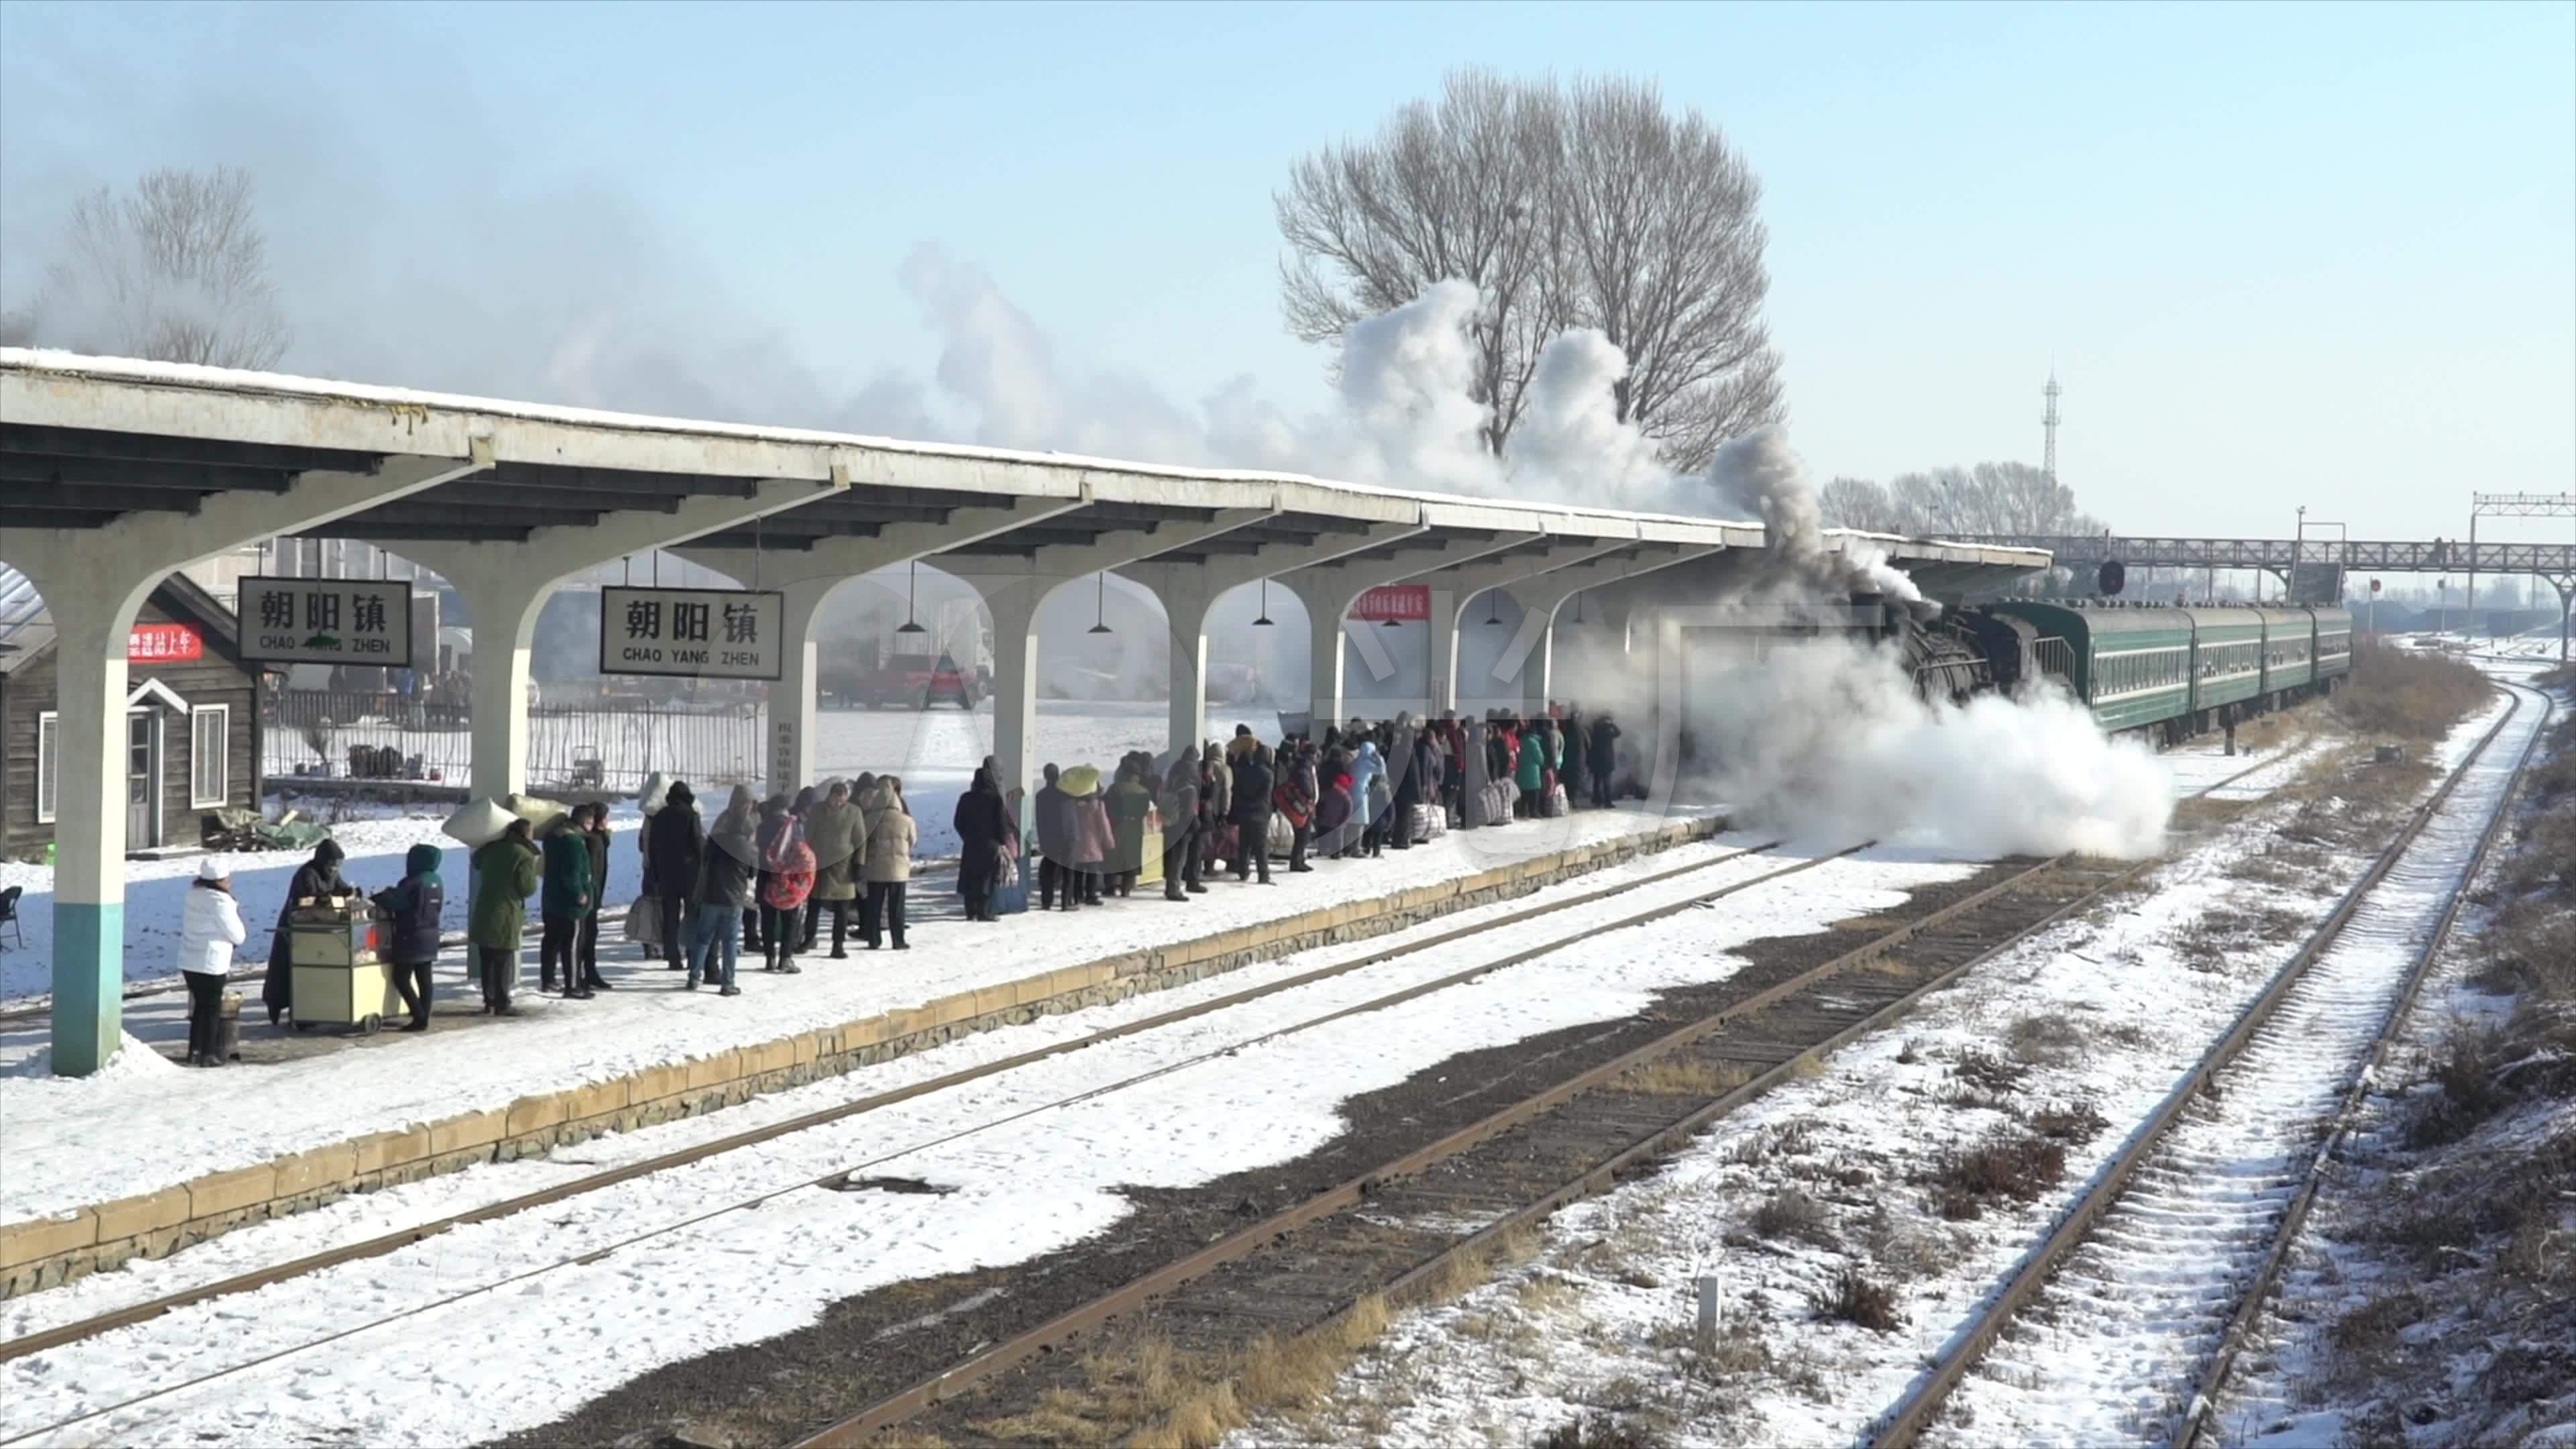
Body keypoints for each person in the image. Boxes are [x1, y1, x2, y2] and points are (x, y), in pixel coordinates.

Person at [262, 840, 350, 1026]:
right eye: (333, 863)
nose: (335, 868)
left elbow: (339, 887)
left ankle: (314, 1008)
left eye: (338, 864)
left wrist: (349, 892)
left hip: (320, 926)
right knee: (291, 969)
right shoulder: (307, 873)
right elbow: (309, 897)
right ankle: (292, 1009)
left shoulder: (332, 874)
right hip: (298, 924)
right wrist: (327, 898)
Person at [688, 786, 758, 994]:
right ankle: (728, 983)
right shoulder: (746, 847)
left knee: (703, 938)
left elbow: (706, 860)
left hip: (711, 895)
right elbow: (753, 873)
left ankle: (694, 977)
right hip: (734, 899)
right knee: (729, 942)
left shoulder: (716, 840)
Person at [469, 818, 541, 1016]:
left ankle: (489, 1000)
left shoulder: (491, 849)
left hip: (485, 909)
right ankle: (502, 1002)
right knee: (503, 958)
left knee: (487, 959)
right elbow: (527, 889)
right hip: (507, 911)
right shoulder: (524, 856)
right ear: (526, 834)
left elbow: (476, 862)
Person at [178, 859, 247, 1065]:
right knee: (211, 1009)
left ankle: (195, 1050)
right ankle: (208, 1054)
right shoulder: (221, 902)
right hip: (211, 962)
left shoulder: (193, 895)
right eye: (227, 879)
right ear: (219, 881)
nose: (230, 882)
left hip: (190, 960)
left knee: (199, 1006)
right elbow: (237, 934)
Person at [372, 843, 445, 1032]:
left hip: (411, 935)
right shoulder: (436, 880)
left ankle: (419, 1016)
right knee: (424, 978)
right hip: (431, 934)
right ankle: (424, 1015)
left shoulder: (412, 882)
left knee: (401, 978)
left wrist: (380, 897)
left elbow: (397, 902)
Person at [645, 780, 704, 973]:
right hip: (690, 875)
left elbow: (652, 847)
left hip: (666, 874)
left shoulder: (659, 817)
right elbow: (697, 844)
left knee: (670, 916)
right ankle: (692, 953)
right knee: (692, 915)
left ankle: (672, 957)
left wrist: (655, 873)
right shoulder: (691, 816)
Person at [804, 778, 865, 955]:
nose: (838, 803)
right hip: (819, 864)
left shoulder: (854, 812)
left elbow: (860, 841)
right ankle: (809, 939)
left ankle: (838, 944)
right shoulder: (817, 810)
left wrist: (859, 864)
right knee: (814, 904)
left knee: (842, 908)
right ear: (829, 797)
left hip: (843, 867)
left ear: (846, 798)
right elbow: (808, 834)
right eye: (835, 799)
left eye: (842, 799)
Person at [757, 794, 816, 972]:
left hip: (765, 874)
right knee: (789, 920)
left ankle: (769, 958)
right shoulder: (792, 826)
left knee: (767, 919)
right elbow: (801, 851)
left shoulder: (762, 826)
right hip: (787, 878)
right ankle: (785, 958)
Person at [538, 814, 593, 998]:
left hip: (550, 899)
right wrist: (579, 894)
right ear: (583, 823)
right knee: (572, 945)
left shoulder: (551, 838)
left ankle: (548, 980)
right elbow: (573, 872)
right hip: (570, 905)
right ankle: (573, 985)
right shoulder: (574, 842)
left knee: (551, 941)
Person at [861, 777, 918, 949]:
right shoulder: (907, 820)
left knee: (874, 907)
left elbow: (862, 842)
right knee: (897, 907)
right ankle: (898, 940)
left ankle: (874, 939)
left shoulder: (870, 819)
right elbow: (913, 841)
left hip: (875, 870)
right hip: (898, 870)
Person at [953, 767, 1014, 921]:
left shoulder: (966, 798)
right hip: (990, 844)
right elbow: (1002, 823)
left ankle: (970, 911)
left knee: (970, 876)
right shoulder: (995, 799)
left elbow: (958, 822)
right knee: (986, 878)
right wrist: (1001, 840)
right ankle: (984, 912)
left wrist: (966, 836)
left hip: (971, 843)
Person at [576, 804, 614, 989]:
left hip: (594, 894)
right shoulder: (593, 841)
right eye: (607, 817)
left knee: (591, 934)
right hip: (590, 895)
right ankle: (585, 973)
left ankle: (589, 972)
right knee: (587, 935)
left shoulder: (599, 839)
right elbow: (590, 871)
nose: (609, 821)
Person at [1034, 763, 1081, 912]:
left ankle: (1046, 902)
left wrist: (1042, 840)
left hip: (1050, 837)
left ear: (1045, 776)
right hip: (1069, 835)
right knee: (1068, 870)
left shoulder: (1041, 796)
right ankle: (1066, 903)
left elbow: (1040, 820)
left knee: (1049, 869)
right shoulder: (1068, 793)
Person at [1106, 757, 1153, 898]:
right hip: (1135, 827)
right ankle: (1126, 889)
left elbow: (1108, 807)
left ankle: (1109, 887)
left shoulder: (1114, 788)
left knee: (1113, 856)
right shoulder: (1144, 791)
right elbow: (1145, 811)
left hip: (1117, 825)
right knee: (1132, 858)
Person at [1232, 743, 1276, 884]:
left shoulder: (1244, 772)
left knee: (1244, 844)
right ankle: (1263, 875)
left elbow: (1237, 792)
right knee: (1260, 846)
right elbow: (1265, 796)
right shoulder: (1268, 774)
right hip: (1260, 813)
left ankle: (1243, 872)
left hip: (1245, 812)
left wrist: (1244, 805)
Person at [1159, 754, 1199, 902]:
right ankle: (1174, 890)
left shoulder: (1171, 785)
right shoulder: (1190, 789)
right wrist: (1196, 827)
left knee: (1171, 860)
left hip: (1169, 826)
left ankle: (1170, 887)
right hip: (1182, 830)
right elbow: (1189, 813)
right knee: (1179, 860)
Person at [1071, 769, 1114, 906]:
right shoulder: (1097, 805)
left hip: (1077, 842)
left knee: (1078, 870)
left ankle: (1077, 894)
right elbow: (1104, 824)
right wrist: (1109, 842)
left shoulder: (1073, 803)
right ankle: (1091, 895)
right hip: (1093, 842)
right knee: (1092, 870)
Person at [1275, 743, 1316, 873]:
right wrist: (1310, 795)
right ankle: (1297, 862)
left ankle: (1299, 860)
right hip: (1303, 804)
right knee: (1303, 835)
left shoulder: (1302, 765)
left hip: (1303, 804)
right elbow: (1307, 787)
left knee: (1303, 834)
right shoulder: (1305, 767)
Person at [1589, 712, 1621, 809]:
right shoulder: (1608, 732)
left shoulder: (1595, 731)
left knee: (1597, 781)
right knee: (1607, 782)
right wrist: (1611, 724)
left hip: (1597, 760)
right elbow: (1619, 733)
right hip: (1607, 761)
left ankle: (1597, 800)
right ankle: (1607, 802)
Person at [1560, 708, 1588, 810]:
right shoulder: (1582, 730)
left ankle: (1568, 799)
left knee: (1568, 779)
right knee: (1576, 780)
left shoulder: (1566, 731)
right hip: (1579, 760)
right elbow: (1589, 744)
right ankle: (1573, 800)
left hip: (1567, 759)